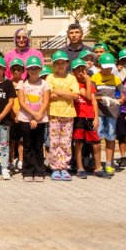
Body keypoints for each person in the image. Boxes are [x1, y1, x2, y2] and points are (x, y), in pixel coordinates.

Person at [16, 56, 50, 182]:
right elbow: (22, 102)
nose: (34, 71)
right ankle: (28, 171)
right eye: (31, 68)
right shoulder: (22, 84)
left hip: (40, 118)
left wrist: (38, 115)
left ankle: (39, 171)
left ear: (40, 69)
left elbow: (46, 101)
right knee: (27, 145)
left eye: (36, 68)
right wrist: (33, 115)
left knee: (38, 146)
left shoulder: (44, 84)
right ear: (27, 70)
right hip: (26, 118)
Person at [45, 51, 78, 181]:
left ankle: (64, 167)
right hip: (53, 113)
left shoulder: (71, 78)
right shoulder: (50, 77)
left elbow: (75, 95)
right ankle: (55, 167)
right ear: (53, 65)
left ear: (67, 64)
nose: (60, 65)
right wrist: (66, 94)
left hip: (68, 113)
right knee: (54, 142)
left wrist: (58, 91)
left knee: (66, 142)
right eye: (57, 63)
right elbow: (48, 95)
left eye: (62, 63)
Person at [91, 54, 124, 178]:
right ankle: (97, 163)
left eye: (110, 68)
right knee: (97, 138)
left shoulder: (115, 78)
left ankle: (109, 163)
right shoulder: (95, 78)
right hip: (99, 112)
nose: (107, 70)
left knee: (110, 137)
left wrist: (120, 100)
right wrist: (101, 98)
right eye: (105, 68)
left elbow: (123, 93)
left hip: (112, 112)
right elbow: (91, 96)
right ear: (99, 66)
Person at [70, 58, 101, 179]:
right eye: (78, 70)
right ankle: (80, 168)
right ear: (73, 72)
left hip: (89, 116)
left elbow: (93, 101)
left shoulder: (89, 84)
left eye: (83, 69)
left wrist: (96, 118)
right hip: (78, 117)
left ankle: (98, 168)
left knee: (96, 143)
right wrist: (88, 80)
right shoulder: (73, 84)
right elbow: (87, 96)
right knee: (78, 143)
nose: (81, 72)